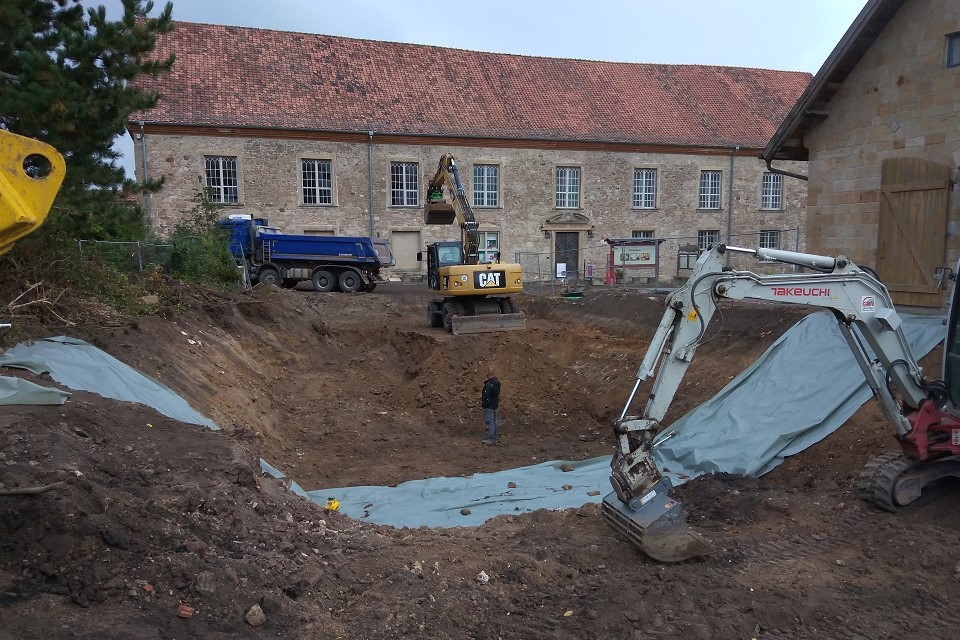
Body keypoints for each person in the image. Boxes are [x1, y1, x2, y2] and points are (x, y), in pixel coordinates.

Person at [480, 365, 501, 445]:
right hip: (495, 405)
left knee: (489, 422)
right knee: (494, 421)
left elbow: (486, 396)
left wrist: (484, 405)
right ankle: (494, 436)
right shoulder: (497, 383)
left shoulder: (489, 384)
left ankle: (490, 439)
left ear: (488, 374)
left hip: (489, 406)